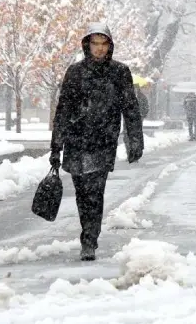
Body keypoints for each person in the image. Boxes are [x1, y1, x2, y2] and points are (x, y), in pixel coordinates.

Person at [50, 23, 144, 262]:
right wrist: (56, 145)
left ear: (109, 46)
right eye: (95, 44)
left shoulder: (120, 72)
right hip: (76, 139)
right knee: (82, 191)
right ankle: (88, 232)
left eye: (104, 44)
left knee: (95, 190)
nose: (99, 49)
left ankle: (89, 239)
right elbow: (63, 109)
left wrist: (135, 139)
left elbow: (130, 108)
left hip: (103, 140)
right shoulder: (75, 72)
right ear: (87, 45)